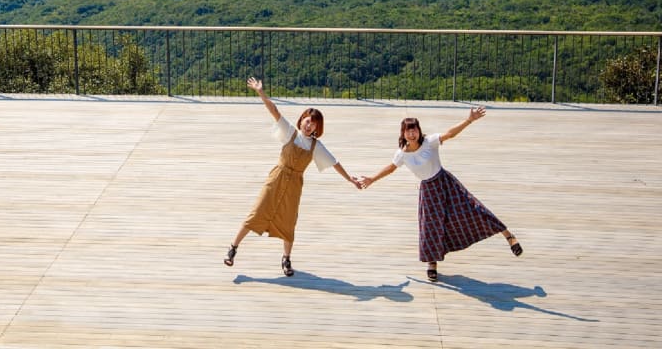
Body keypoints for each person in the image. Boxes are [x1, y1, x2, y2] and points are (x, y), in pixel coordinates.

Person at [358, 107, 522, 282]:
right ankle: (432, 264)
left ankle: (509, 236)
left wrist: (469, 120)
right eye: (408, 130)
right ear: (403, 133)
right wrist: (372, 179)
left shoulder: (430, 141)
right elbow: (390, 168)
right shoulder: (402, 154)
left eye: (414, 129)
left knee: (474, 209)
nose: (412, 133)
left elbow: (450, 134)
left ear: (419, 131)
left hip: (445, 183)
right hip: (428, 191)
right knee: (430, 228)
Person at [223, 76, 361, 276]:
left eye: (313, 124)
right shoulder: (290, 132)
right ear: (302, 120)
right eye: (307, 121)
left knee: (288, 222)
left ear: (317, 128)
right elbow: (274, 111)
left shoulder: (316, 146)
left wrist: (350, 179)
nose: (309, 126)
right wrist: (260, 91)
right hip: (277, 178)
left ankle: (286, 259)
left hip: (294, 185)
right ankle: (233, 248)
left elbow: (335, 163)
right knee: (257, 212)